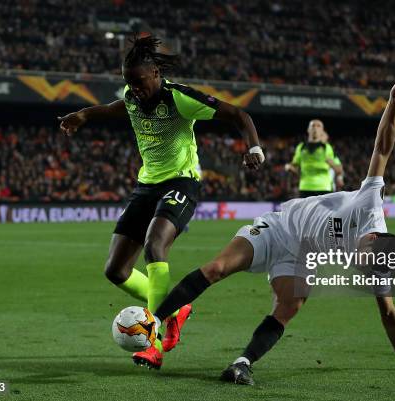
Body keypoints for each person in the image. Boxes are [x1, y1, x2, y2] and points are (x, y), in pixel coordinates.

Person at [151, 65, 395, 384]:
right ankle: (154, 322)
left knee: (290, 305)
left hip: (301, 257)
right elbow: (383, 147)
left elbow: (389, 314)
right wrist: (393, 101)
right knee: (217, 268)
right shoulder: (370, 205)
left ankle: (241, 364)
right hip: (280, 227)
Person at [57, 35, 264, 369]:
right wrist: (84, 114)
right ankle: (175, 306)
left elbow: (238, 115)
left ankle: (154, 343)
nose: (134, 89)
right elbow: (114, 108)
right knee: (116, 270)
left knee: (156, 245)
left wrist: (254, 148)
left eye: (138, 82)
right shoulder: (131, 97)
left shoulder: (179, 97)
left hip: (181, 182)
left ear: (155, 73)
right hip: (146, 185)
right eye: (129, 83)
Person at [285, 119, 343, 197]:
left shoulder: (328, 149)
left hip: (324, 187)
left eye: (318, 126)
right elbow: (295, 167)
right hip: (305, 187)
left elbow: (339, 169)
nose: (315, 128)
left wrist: (339, 177)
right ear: (308, 130)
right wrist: (290, 167)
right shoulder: (301, 147)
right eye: (313, 126)